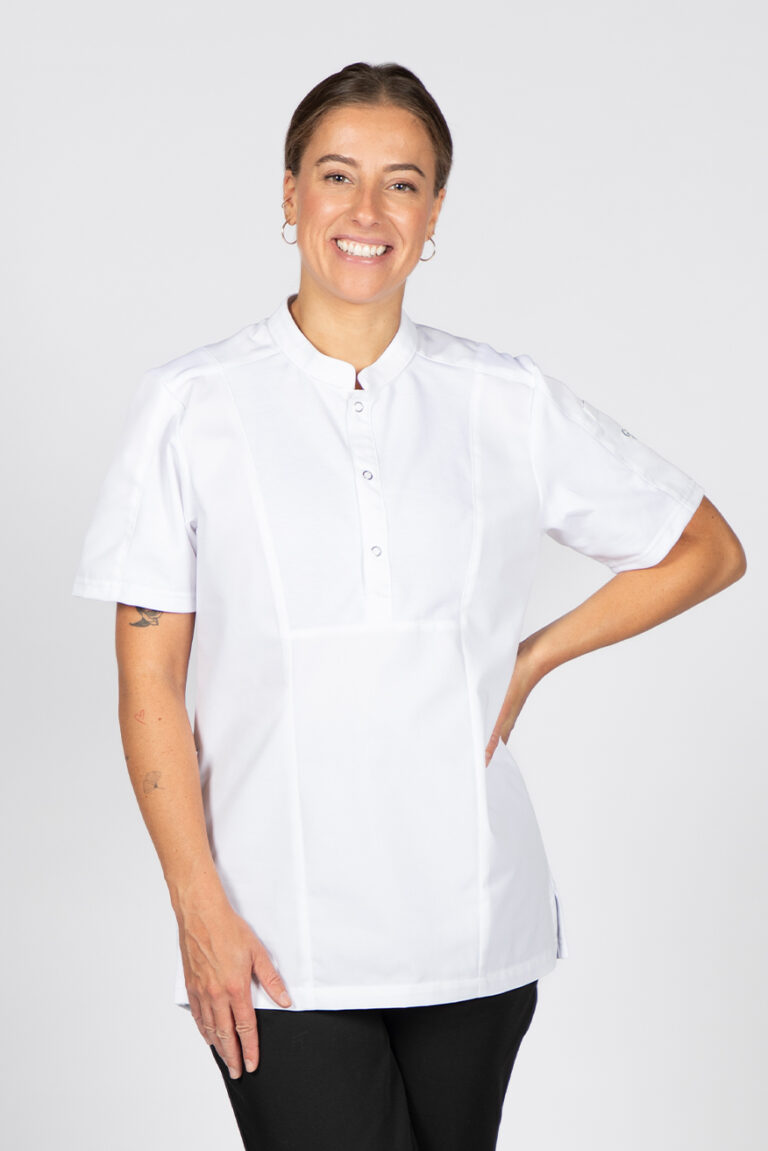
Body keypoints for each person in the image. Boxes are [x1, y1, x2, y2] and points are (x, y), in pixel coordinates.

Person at [72, 61, 746, 1151]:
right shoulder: (192, 407)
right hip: (278, 930)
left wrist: (530, 657)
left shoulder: (503, 399)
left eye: (403, 183)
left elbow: (705, 549)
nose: (367, 210)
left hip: (474, 923)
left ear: (434, 215)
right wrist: (198, 908)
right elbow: (148, 678)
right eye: (337, 175)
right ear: (289, 193)